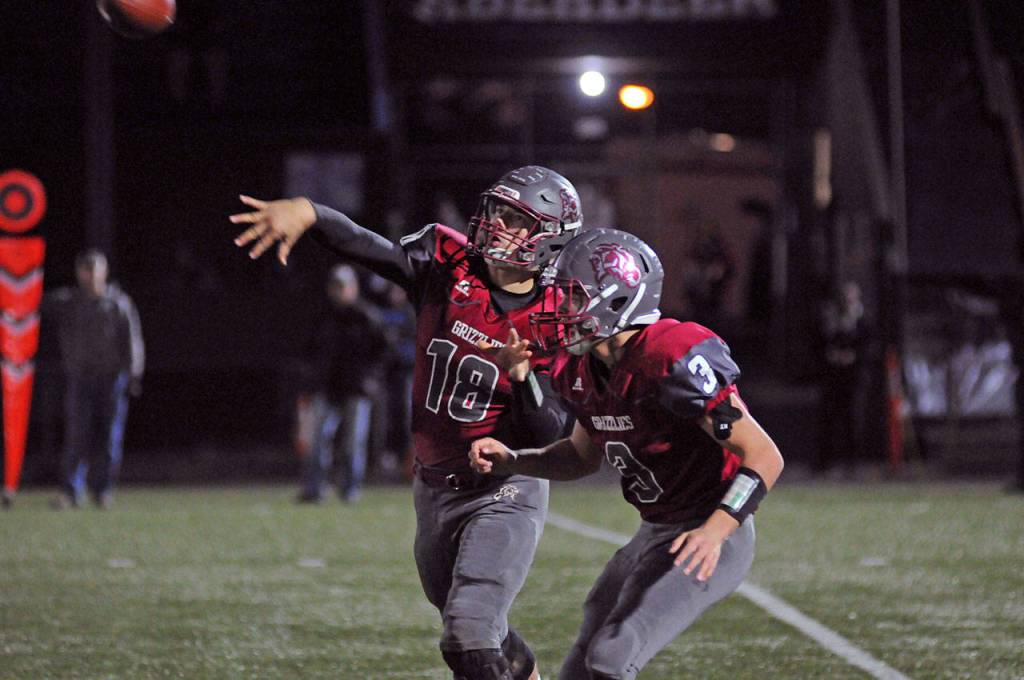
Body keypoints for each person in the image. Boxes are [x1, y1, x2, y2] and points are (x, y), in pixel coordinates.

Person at [232, 165, 582, 680]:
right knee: (482, 630)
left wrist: (525, 377)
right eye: (498, 212)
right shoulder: (449, 264)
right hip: (434, 485)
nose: (498, 225)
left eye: (517, 220)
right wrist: (312, 212)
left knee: (468, 636)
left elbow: (549, 435)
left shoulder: (556, 315)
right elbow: (370, 249)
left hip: (504, 490)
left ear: (549, 238)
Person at [469, 228, 784, 680]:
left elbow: (765, 456)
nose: (558, 309)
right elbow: (580, 457)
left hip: (712, 530)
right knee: (588, 645)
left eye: (572, 298)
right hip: (655, 531)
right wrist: (515, 459)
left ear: (616, 299)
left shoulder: (668, 356)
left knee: (613, 657)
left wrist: (714, 532)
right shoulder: (582, 368)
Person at [49, 249, 144, 509]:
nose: (90, 276)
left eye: (95, 270)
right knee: (76, 436)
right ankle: (70, 492)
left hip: (112, 379)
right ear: (79, 273)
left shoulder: (118, 303)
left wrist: (133, 373)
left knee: (109, 438)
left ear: (105, 272)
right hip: (80, 378)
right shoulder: (68, 303)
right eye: (86, 270)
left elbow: (132, 340)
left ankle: (103, 490)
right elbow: (35, 305)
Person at [296, 265, 388, 503]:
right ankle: (315, 489)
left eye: (343, 287)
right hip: (327, 387)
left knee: (353, 443)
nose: (338, 292)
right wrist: (312, 379)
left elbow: (384, 352)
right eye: (335, 286)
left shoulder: (367, 316)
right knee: (318, 440)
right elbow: (309, 350)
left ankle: (350, 489)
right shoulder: (323, 316)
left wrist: (370, 379)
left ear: (353, 288)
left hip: (356, 389)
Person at [815, 280, 871, 476]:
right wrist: (832, 355)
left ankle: (853, 464)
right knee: (829, 419)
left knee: (853, 420)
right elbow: (820, 344)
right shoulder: (831, 320)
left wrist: (853, 356)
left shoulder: (863, 321)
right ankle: (824, 464)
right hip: (833, 378)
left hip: (854, 379)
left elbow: (869, 348)